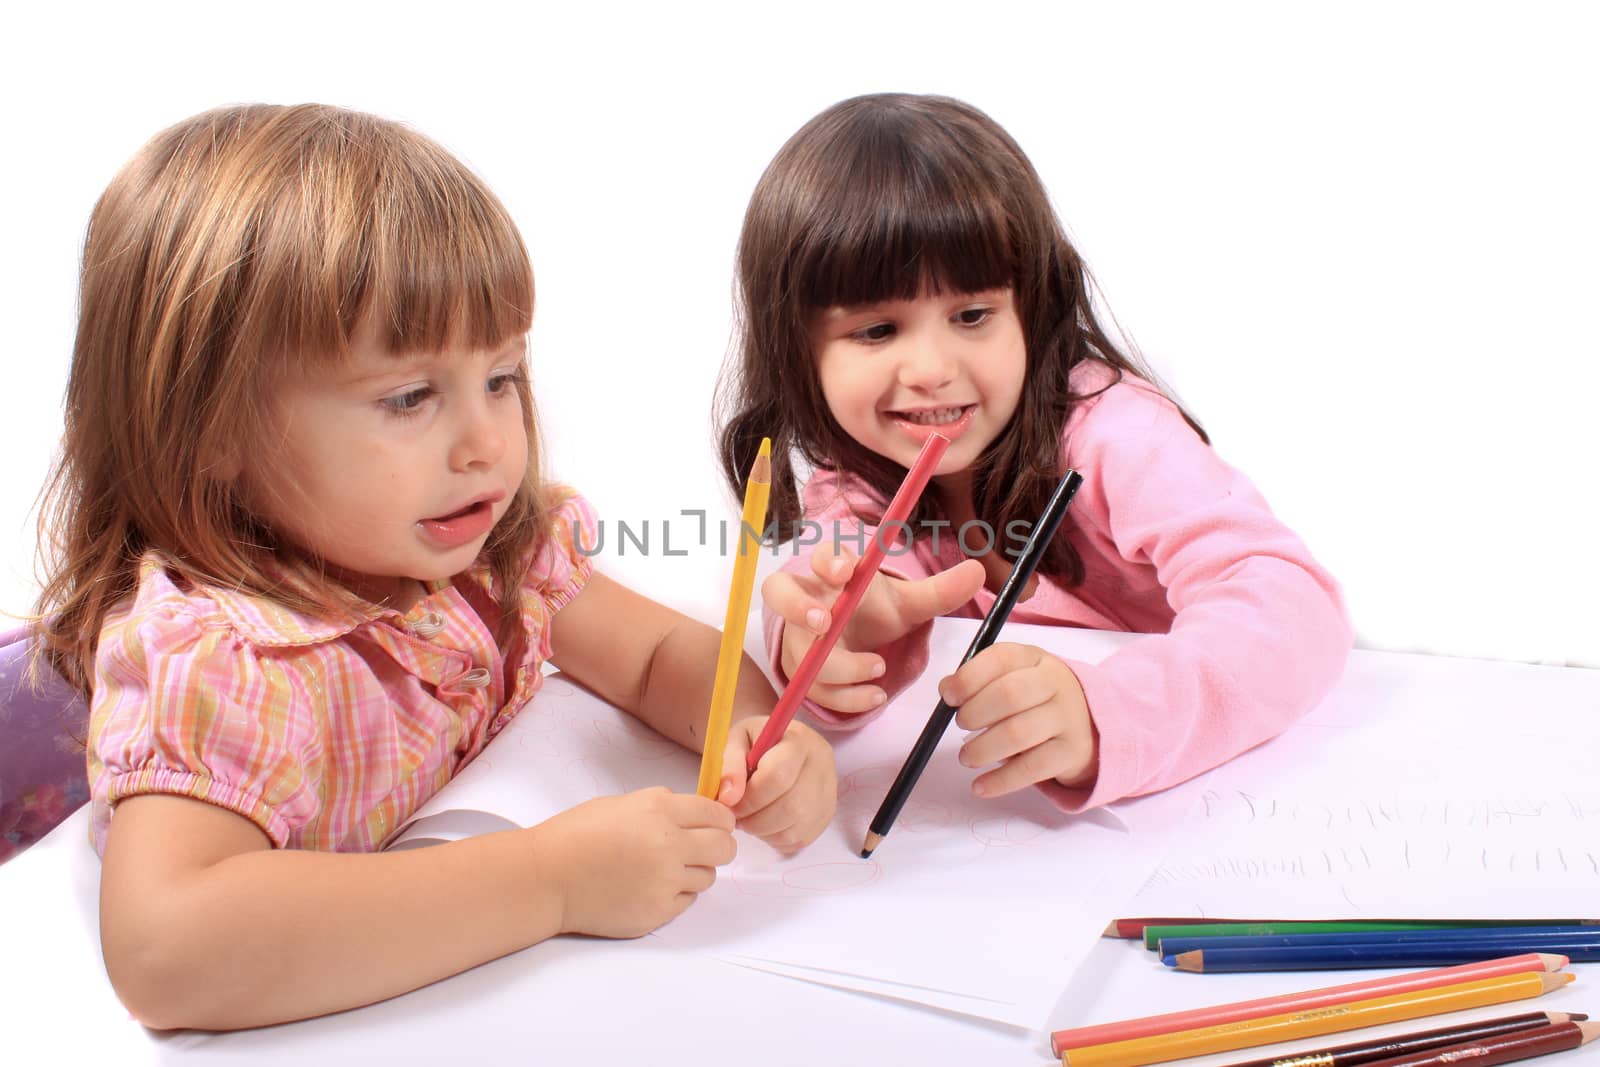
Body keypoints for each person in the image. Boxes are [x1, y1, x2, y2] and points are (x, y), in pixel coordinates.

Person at [32, 103, 836, 1030]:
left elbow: (655, 654)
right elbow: (168, 954)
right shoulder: (225, 660)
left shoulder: (484, 555)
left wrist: (752, 728)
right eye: (411, 395)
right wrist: (553, 881)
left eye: (501, 377)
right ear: (211, 435)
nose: (488, 443)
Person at [716, 92, 1350, 812]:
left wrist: (1107, 713)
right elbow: (828, 591)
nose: (930, 367)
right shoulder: (856, 478)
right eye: (876, 330)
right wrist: (827, 647)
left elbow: (1296, 605)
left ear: (1033, 307)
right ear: (797, 350)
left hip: (1218, 805)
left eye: (973, 315)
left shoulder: (1116, 434)